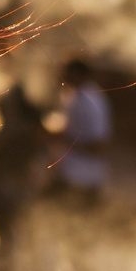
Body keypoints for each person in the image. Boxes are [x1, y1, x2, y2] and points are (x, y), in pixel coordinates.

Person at [42, 56, 111, 204]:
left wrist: (62, 139)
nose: (62, 75)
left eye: (66, 71)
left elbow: (98, 145)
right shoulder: (71, 96)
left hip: (82, 180)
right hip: (67, 175)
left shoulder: (91, 102)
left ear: (78, 74)